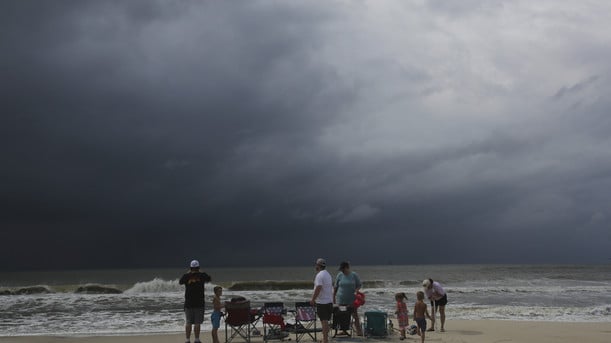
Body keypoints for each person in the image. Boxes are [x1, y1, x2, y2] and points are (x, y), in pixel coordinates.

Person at [179, 260, 212, 343]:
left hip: (188, 303)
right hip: (199, 302)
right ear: (198, 268)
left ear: (190, 268)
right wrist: (201, 272)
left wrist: (188, 273)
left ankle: (187, 339)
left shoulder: (186, 276)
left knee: (188, 322)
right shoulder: (202, 275)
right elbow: (209, 278)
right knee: (197, 322)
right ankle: (197, 339)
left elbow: (180, 282)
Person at [333, 261, 363, 336]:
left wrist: (356, 290)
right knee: (342, 316)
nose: (342, 270)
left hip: (351, 300)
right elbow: (336, 287)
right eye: (341, 269)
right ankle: (343, 330)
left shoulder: (354, 275)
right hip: (341, 299)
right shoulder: (339, 275)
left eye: (343, 269)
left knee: (354, 315)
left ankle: (359, 331)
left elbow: (359, 285)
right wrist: (333, 297)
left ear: (347, 267)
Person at [310, 258, 333, 343]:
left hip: (322, 302)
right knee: (326, 321)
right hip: (329, 301)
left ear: (318, 265)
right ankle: (325, 339)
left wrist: (313, 299)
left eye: (316, 264)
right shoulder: (328, 274)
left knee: (324, 321)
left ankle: (325, 340)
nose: (315, 266)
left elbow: (318, 287)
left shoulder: (319, 275)